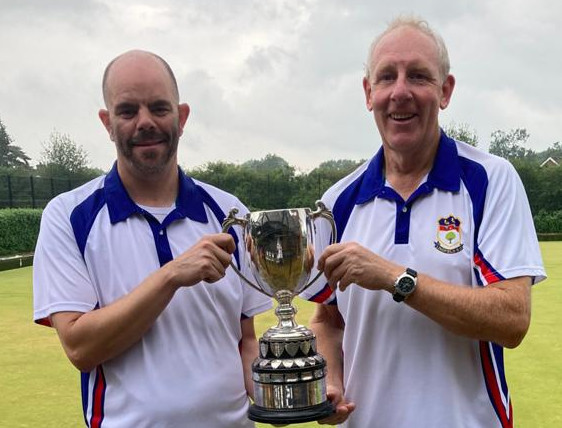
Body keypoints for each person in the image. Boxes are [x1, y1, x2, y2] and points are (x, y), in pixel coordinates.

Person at [301, 17, 547, 428]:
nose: (400, 92)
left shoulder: (490, 180)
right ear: (369, 93)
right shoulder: (337, 203)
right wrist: (331, 379)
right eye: (386, 77)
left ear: (445, 91)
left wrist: (395, 277)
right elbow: (328, 318)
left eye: (418, 76)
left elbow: (511, 320)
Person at [33, 50, 272, 428]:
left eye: (159, 108)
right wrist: (171, 275)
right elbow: (80, 346)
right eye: (127, 111)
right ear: (107, 123)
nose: (145, 122)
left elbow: (244, 339)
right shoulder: (68, 216)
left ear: (182, 117)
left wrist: (281, 399)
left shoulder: (229, 212)